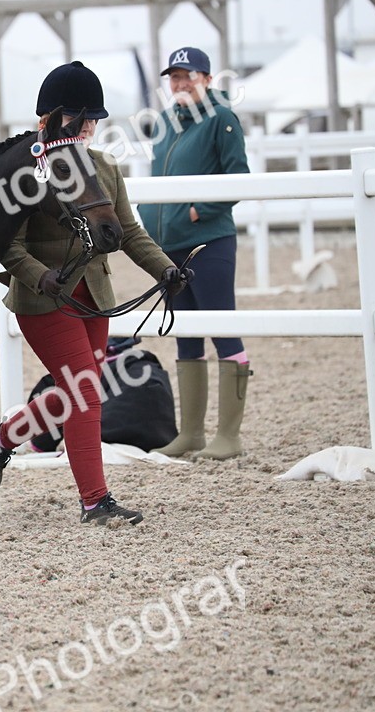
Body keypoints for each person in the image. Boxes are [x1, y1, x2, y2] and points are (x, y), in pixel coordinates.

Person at [0, 61, 189, 526]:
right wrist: (40, 275)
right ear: (74, 120)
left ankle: (1, 438)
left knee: (80, 390)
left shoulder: (104, 167)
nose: (96, 127)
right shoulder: (25, 171)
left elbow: (128, 232)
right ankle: (94, 501)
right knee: (85, 392)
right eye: (91, 118)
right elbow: (9, 245)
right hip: (45, 299)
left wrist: (165, 269)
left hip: (95, 298)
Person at [140, 47, 252, 461]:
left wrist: (197, 210)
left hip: (210, 242)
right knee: (185, 336)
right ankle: (191, 433)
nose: (180, 84)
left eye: (188, 75)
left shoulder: (222, 119)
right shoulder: (165, 123)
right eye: (174, 77)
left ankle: (229, 435)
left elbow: (238, 178)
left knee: (223, 330)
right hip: (168, 247)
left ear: (206, 78)